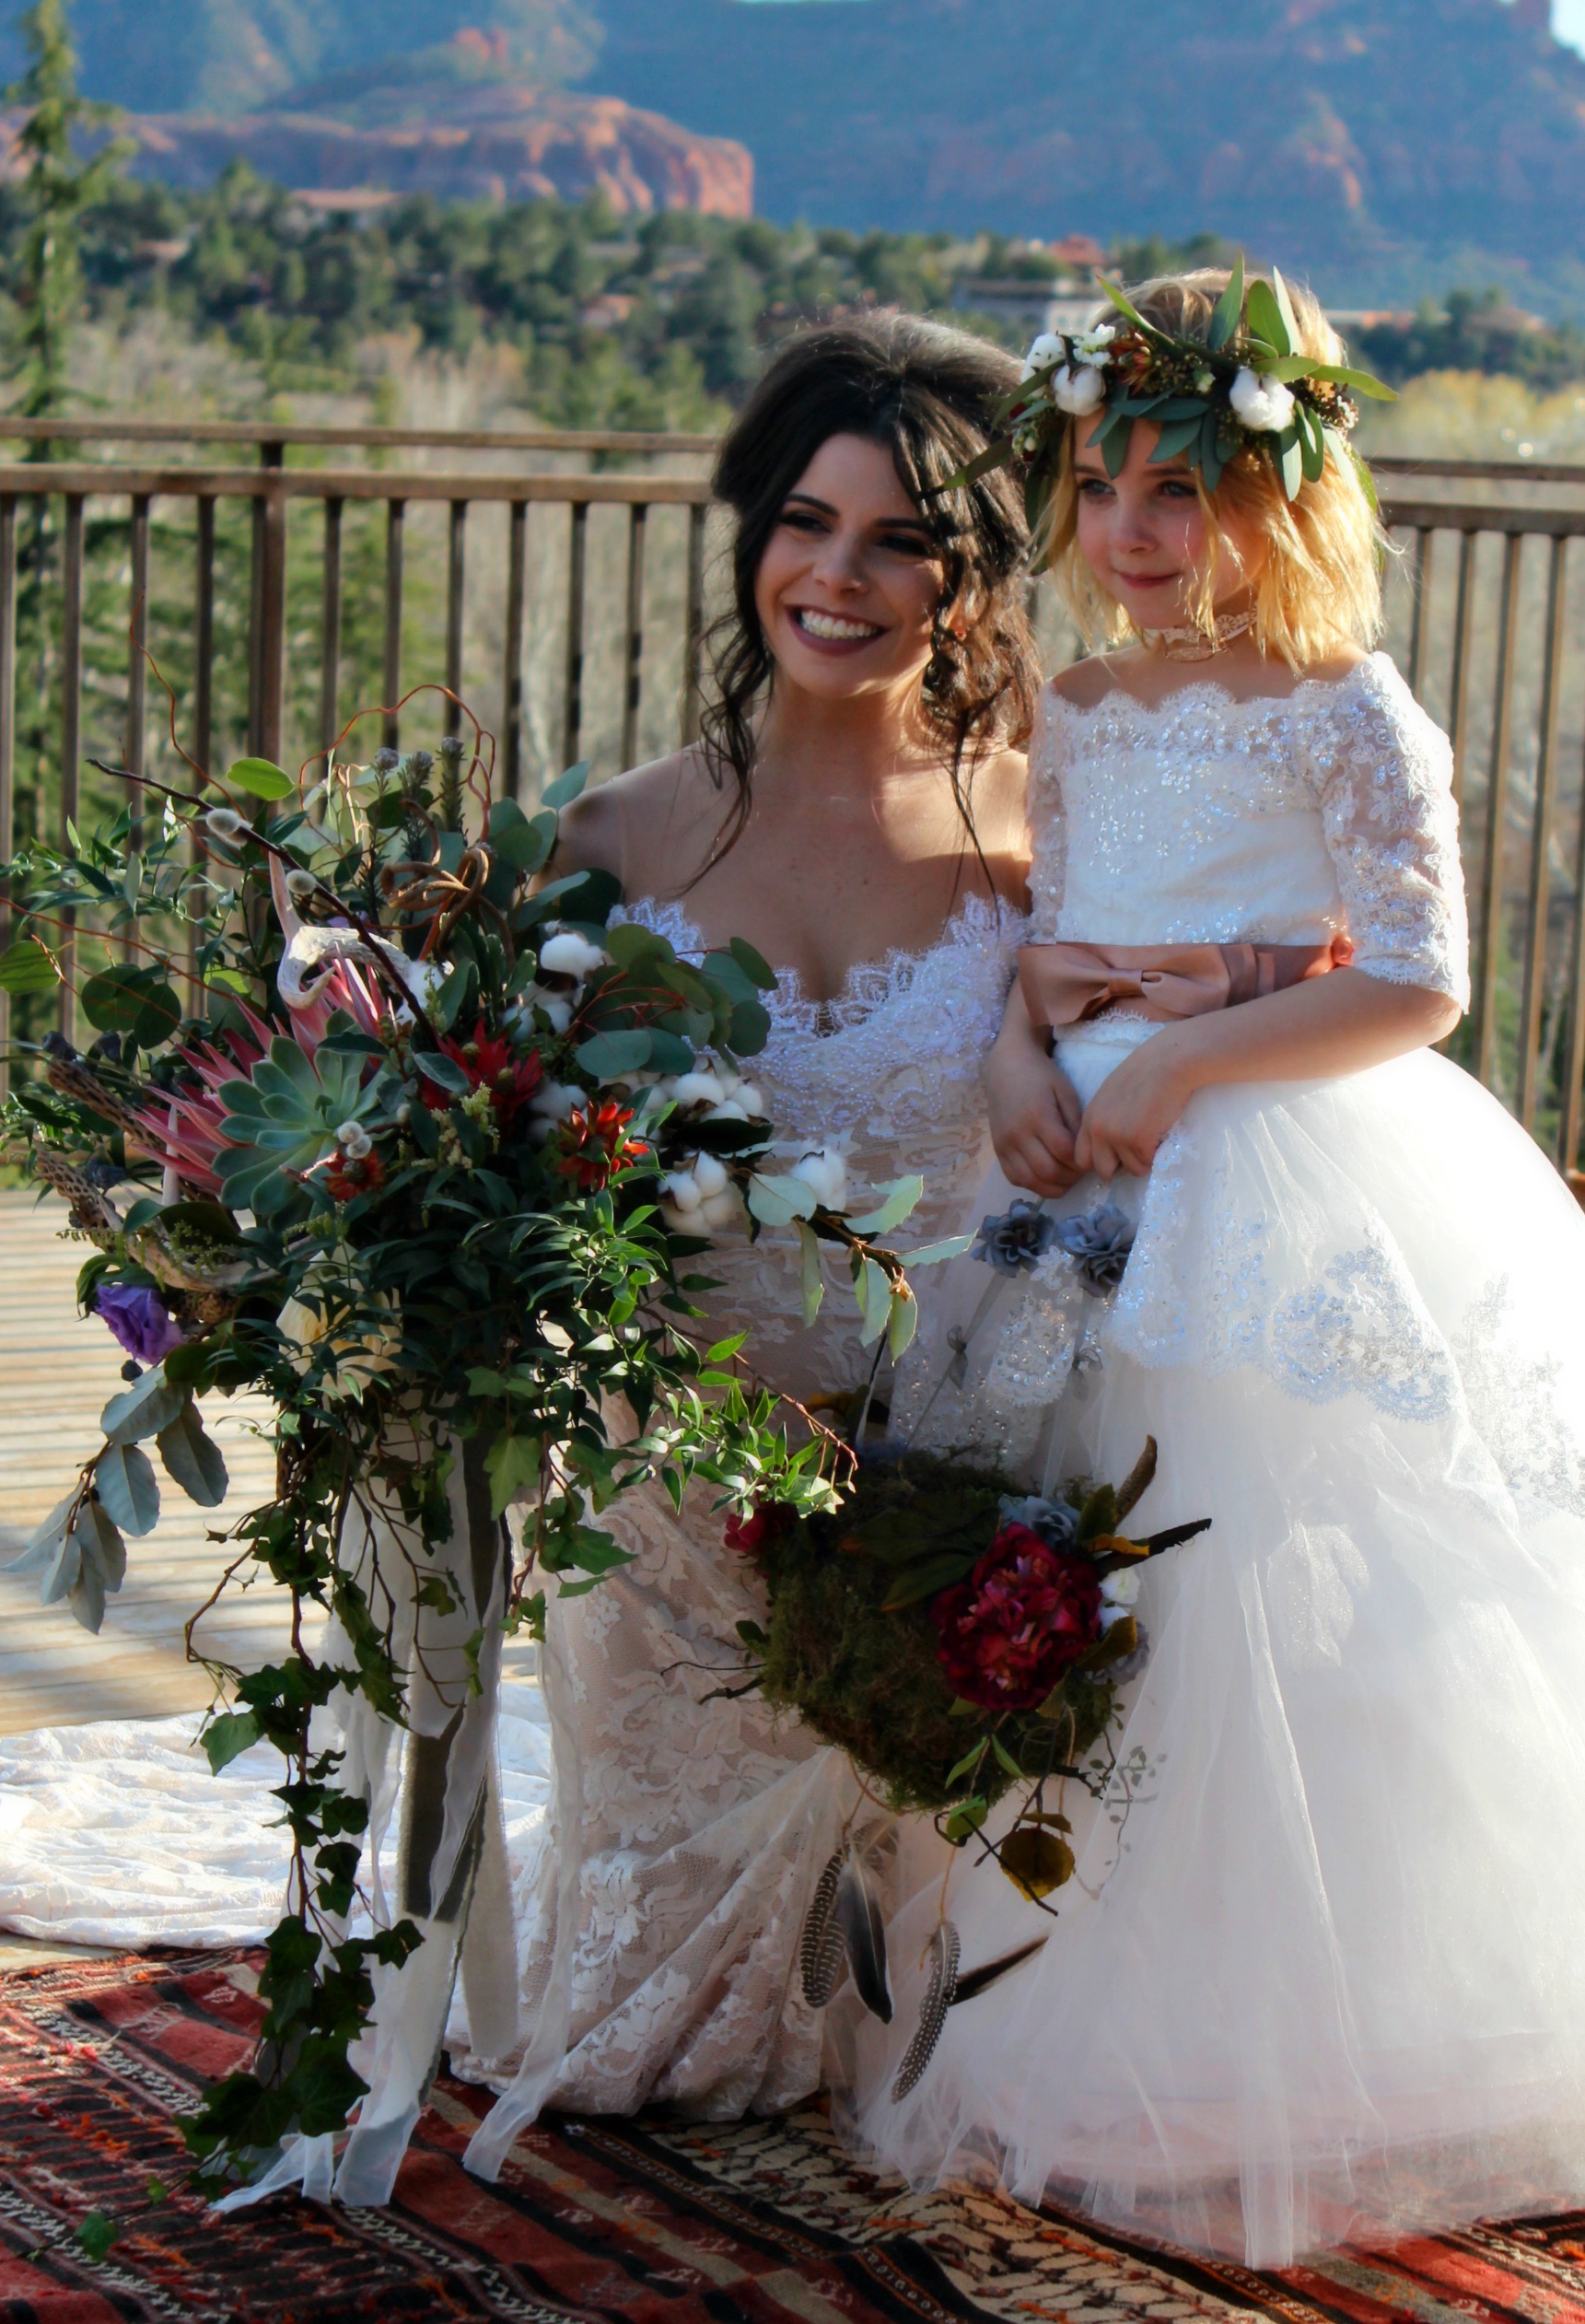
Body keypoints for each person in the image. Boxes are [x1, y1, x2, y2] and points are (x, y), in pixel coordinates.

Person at [851, 269, 1585, 2267]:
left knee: (1263, 1594)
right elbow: (1057, 939)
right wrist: (1024, 1055)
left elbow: (1419, 981)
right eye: (1100, 486)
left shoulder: (1348, 702)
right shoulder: (1076, 713)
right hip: (1080, 1177)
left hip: (1270, 1167)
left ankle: (1335, 2045)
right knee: (1080, 1588)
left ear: (1282, 495)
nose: (1132, 533)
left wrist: (1181, 1060)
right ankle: (1081, 2027)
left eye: (1180, 488)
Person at [453, 309, 1042, 2154]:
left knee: (935, 2033)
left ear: (978, 579)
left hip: (944, 1473)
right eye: (803, 520)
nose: (837, 576)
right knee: (662, 2054)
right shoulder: (614, 839)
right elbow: (520, 1161)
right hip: (669, 1475)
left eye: (900, 541)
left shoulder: (1051, 841)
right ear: (745, 535)